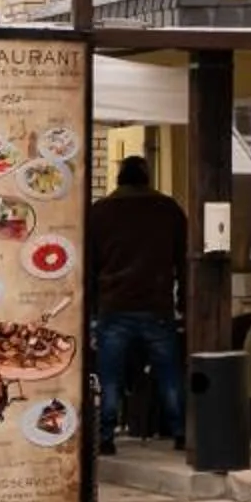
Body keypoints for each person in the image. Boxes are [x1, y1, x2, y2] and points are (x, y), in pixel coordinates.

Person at [86, 155, 190, 455]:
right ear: (147, 177)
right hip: (157, 306)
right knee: (169, 373)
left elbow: (90, 266)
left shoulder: (100, 212)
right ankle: (181, 432)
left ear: (119, 178)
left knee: (110, 375)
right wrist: (183, 300)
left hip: (113, 305)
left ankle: (105, 437)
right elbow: (184, 261)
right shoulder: (168, 209)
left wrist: (92, 307)